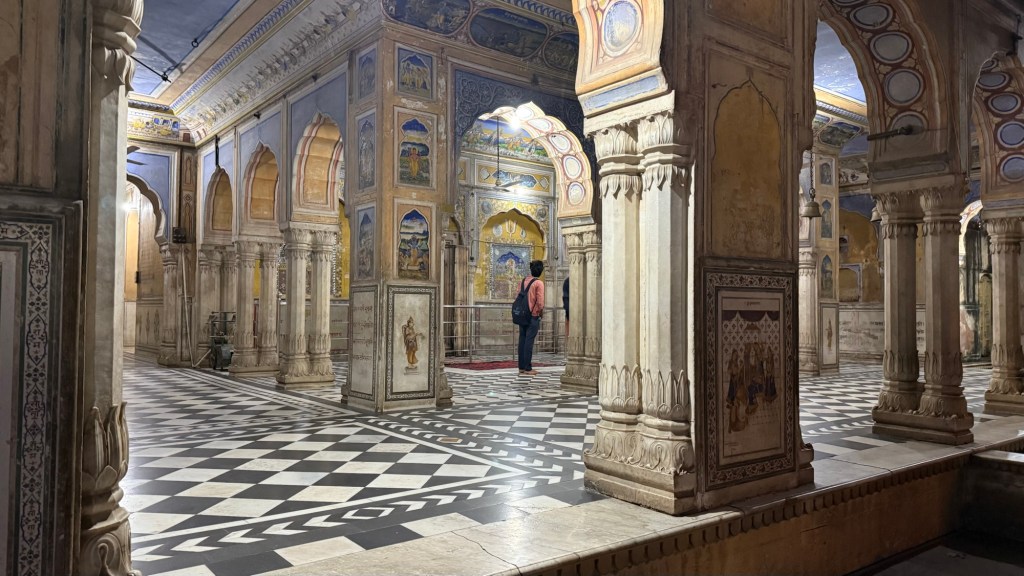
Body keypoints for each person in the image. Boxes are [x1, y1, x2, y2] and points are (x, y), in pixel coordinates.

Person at [518, 260, 545, 376]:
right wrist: (540, 313)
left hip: (522, 315)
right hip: (533, 316)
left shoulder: (523, 281)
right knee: (529, 341)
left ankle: (521, 367)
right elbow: (540, 302)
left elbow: (517, 296)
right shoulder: (539, 283)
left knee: (522, 340)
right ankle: (528, 368)